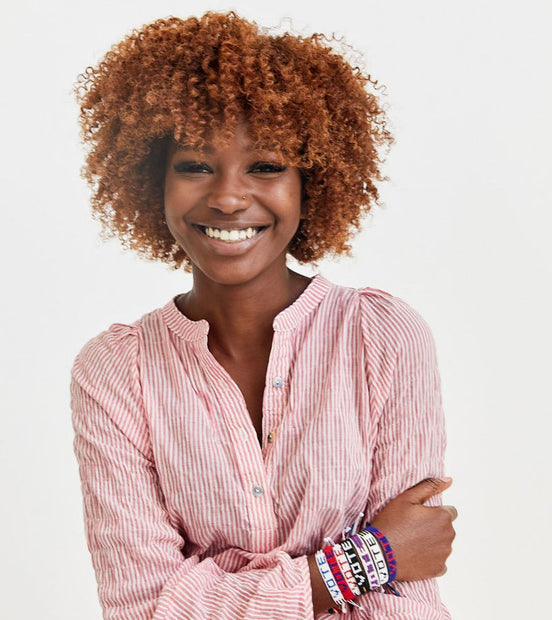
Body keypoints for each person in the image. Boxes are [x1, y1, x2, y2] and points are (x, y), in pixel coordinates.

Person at [70, 11, 457, 619]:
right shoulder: (118, 373)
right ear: (152, 181)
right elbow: (142, 608)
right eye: (195, 165)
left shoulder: (381, 338)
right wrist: (362, 561)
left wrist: (208, 596)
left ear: (312, 181)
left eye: (267, 165)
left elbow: (404, 599)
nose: (227, 196)